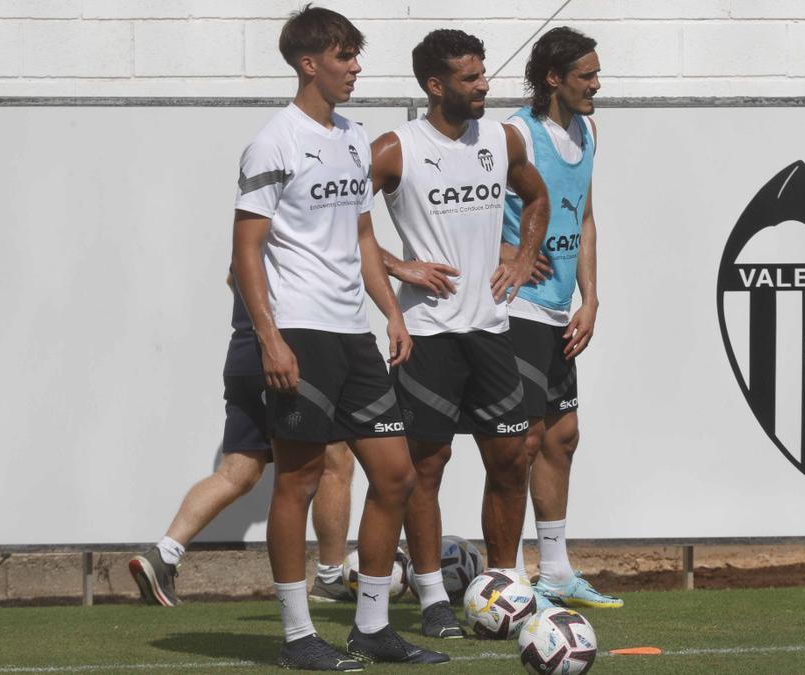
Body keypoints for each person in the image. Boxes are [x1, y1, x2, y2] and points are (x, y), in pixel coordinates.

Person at [231, 6, 446, 669]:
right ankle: (298, 634)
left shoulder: (355, 137)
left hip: (354, 334)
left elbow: (361, 237)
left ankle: (373, 625)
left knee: (396, 474)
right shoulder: (274, 140)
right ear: (309, 64)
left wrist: (393, 312)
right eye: (344, 56)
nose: (356, 67)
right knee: (295, 482)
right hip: (299, 328)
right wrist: (270, 339)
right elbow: (245, 251)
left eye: (356, 54)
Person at [371, 29, 551, 639]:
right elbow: (341, 219)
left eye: (482, 75)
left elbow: (536, 197)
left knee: (511, 457)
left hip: (491, 329)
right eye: (471, 78)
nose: (484, 86)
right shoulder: (397, 148)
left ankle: (507, 583)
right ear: (435, 85)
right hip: (427, 333)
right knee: (427, 464)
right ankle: (430, 598)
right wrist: (399, 267)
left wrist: (524, 259)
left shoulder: (501, 138)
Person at [127, 278, 355, 609]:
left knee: (238, 471)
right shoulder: (293, 232)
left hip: (244, 355)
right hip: (286, 354)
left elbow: (236, 277)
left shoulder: (251, 235)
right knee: (335, 461)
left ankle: (165, 553)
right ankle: (332, 577)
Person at [500, 27, 622, 610]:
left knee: (562, 437)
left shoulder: (589, 130)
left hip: (558, 311)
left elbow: (588, 217)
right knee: (520, 442)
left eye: (597, 74)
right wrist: (507, 256)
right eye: (586, 76)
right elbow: (467, 208)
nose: (596, 84)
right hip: (515, 307)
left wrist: (590, 298)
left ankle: (555, 573)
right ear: (553, 78)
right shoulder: (515, 134)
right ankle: (506, 580)